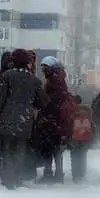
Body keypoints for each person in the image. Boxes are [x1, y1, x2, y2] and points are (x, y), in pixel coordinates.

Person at [0, 48, 48, 189]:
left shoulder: (7, 76)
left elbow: (0, 99)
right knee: (20, 149)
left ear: (13, 60)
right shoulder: (34, 80)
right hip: (25, 119)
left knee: (7, 149)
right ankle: (17, 177)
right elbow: (44, 101)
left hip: (7, 117)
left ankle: (8, 179)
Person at [38, 56, 74, 184]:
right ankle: (57, 174)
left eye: (45, 68)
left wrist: (44, 98)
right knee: (55, 149)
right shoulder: (57, 78)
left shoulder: (55, 80)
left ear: (51, 67)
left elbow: (57, 97)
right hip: (56, 120)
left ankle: (51, 174)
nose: (43, 70)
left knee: (50, 149)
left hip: (53, 119)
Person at [70, 95, 94, 183]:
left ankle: (75, 175)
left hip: (75, 138)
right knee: (83, 155)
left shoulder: (72, 110)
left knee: (74, 156)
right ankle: (82, 173)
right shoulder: (88, 110)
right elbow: (92, 125)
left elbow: (69, 124)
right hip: (85, 138)